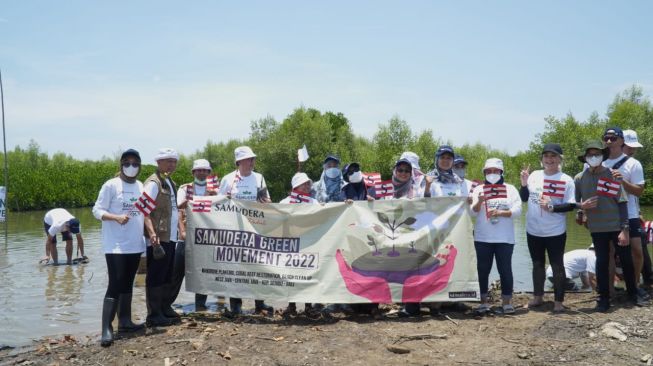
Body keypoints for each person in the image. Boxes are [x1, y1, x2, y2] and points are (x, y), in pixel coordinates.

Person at [574, 140, 646, 311]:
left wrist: (625, 229)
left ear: (603, 156)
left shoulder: (612, 175)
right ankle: (604, 298)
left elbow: (622, 203)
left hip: (616, 227)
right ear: (585, 158)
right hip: (596, 228)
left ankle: (633, 294)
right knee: (602, 263)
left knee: (627, 260)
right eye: (590, 155)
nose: (593, 157)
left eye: (597, 154)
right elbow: (576, 201)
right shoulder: (579, 178)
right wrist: (580, 213)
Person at [92, 149, 146, 346]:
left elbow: (144, 212)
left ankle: (125, 321)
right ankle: (106, 328)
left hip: (135, 243)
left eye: (135, 163)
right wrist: (115, 217)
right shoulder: (111, 185)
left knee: (128, 282)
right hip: (115, 245)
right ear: (121, 164)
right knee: (114, 283)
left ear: (139, 166)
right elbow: (96, 210)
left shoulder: (141, 185)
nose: (131, 167)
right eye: (127, 163)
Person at [519, 143, 576, 312]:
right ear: (542, 159)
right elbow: (524, 198)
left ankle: (558, 302)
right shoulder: (534, 175)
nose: (549, 160)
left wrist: (553, 207)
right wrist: (523, 183)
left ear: (560, 159)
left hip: (555, 231)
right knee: (537, 264)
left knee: (557, 265)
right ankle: (538, 297)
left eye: (553, 156)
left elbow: (571, 205)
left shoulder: (566, 180)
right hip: (533, 230)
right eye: (546, 156)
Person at [219, 146, 273, 315]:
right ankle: (236, 305)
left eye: (253, 159)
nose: (252, 162)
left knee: (257, 268)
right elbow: (218, 204)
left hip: (256, 230)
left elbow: (268, 201)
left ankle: (260, 303)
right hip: (235, 232)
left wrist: (266, 202)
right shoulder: (228, 180)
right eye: (249, 159)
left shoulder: (260, 178)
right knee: (235, 268)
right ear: (239, 161)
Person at [471, 158, 521, 315]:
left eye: (495, 171)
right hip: (482, 238)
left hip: (505, 239)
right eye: (488, 171)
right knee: (482, 270)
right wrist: (479, 202)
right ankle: (483, 303)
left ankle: (507, 302)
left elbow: (518, 211)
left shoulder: (511, 189)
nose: (492, 174)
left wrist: (501, 213)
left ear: (501, 172)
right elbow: (472, 212)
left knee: (505, 270)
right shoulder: (478, 189)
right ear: (484, 173)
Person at [602, 128, 648, 300]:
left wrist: (623, 181)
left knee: (636, 250)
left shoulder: (633, 164)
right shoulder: (600, 163)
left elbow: (639, 191)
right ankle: (610, 289)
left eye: (613, 138)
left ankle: (634, 285)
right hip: (607, 215)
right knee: (609, 252)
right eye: (606, 138)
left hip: (630, 213)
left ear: (621, 141)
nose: (609, 141)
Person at [141, 148, 180, 326]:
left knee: (166, 274)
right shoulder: (153, 183)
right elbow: (143, 210)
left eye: (174, 161)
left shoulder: (169, 181)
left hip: (170, 236)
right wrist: (152, 233)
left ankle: (164, 308)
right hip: (158, 237)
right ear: (158, 162)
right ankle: (154, 314)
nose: (171, 164)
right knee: (156, 275)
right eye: (167, 161)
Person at [391, 158, 432, 316]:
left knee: (413, 270)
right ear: (395, 171)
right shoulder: (387, 189)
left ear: (411, 174)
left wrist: (428, 186)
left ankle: (412, 306)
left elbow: (427, 203)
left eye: (407, 171)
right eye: (400, 170)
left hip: (413, 233)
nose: (403, 173)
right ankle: (400, 302)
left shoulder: (416, 189)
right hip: (394, 234)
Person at [177, 159, 219, 311]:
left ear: (209, 173)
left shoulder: (215, 190)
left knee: (203, 272)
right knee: (178, 271)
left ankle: (200, 305)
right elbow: (179, 209)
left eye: (205, 170)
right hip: (186, 235)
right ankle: (166, 304)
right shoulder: (184, 188)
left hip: (206, 236)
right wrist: (182, 231)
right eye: (198, 170)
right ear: (193, 172)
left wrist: (216, 196)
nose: (201, 173)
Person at [339, 162, 379, 317]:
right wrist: (345, 204)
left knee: (373, 268)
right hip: (353, 235)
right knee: (355, 267)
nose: (356, 172)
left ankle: (373, 305)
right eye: (351, 171)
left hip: (370, 235)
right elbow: (341, 207)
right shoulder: (345, 190)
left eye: (356, 169)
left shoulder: (369, 186)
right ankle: (354, 305)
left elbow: (381, 203)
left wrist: (372, 199)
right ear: (346, 176)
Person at [280, 172, 319, 315]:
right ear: (296, 186)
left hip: (308, 244)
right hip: (291, 245)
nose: (308, 186)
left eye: (308, 183)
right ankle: (292, 305)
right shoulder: (285, 203)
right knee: (291, 275)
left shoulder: (313, 202)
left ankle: (309, 306)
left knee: (308, 274)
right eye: (304, 183)